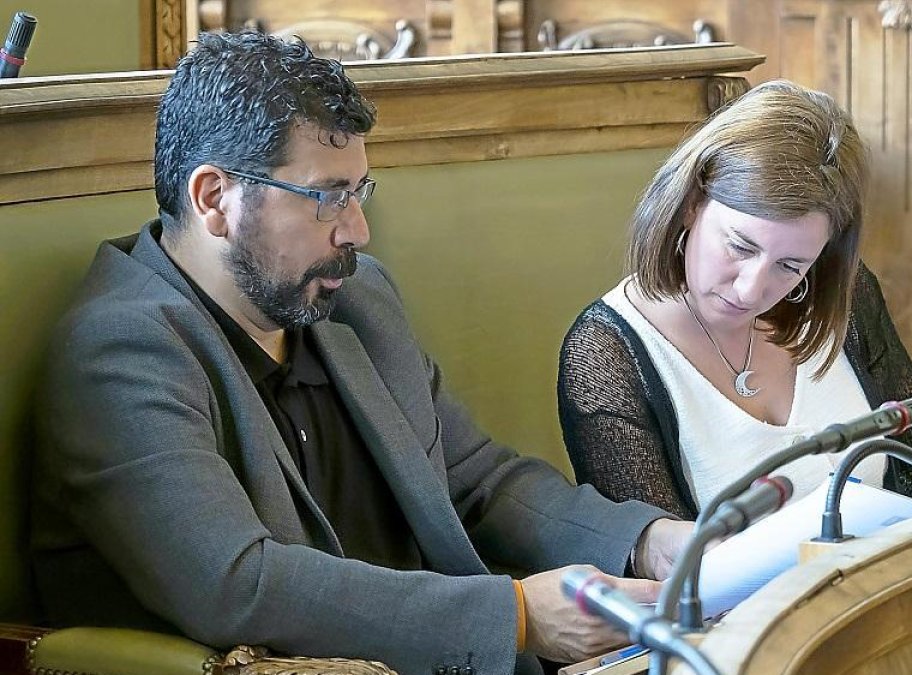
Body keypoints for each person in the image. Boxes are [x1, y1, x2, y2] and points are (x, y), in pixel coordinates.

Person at [31, 31, 690, 675]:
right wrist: (516, 615)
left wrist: (646, 542)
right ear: (214, 199)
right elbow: (236, 583)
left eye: (359, 191)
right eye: (329, 198)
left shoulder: (355, 299)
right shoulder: (120, 350)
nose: (358, 230)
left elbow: (479, 481)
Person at [557, 80, 912, 519]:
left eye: (791, 266)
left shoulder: (842, 294)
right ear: (692, 203)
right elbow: (662, 565)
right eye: (739, 246)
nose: (751, 290)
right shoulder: (607, 353)